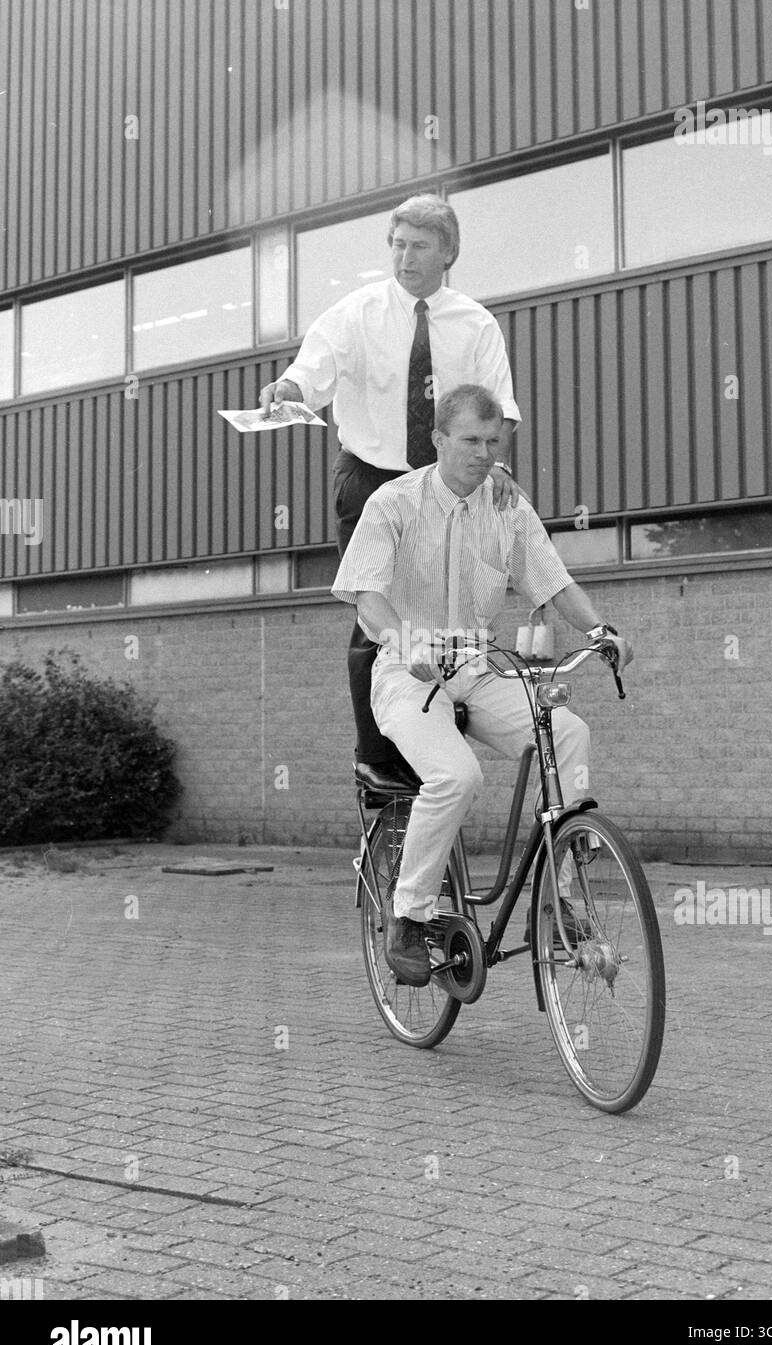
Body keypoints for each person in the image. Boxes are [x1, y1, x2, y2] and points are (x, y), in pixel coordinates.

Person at [332, 385, 633, 986]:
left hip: (479, 666)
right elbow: (367, 591)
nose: (483, 451)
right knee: (456, 776)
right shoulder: (394, 502)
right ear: (439, 440)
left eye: (494, 440)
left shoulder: (507, 508)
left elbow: (553, 584)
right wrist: (402, 640)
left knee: (569, 733)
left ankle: (556, 901)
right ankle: (409, 916)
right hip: (406, 672)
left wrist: (601, 629)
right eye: (470, 439)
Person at [258, 194, 522, 789]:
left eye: (419, 245)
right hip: (371, 477)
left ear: (447, 253)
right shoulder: (356, 313)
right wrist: (288, 386)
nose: (405, 256)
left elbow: (499, 408)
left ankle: (429, 740)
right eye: (397, 244)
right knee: (374, 613)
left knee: (443, 613)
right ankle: (374, 757)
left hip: (444, 483)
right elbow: (311, 370)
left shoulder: (476, 323)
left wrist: (495, 466)